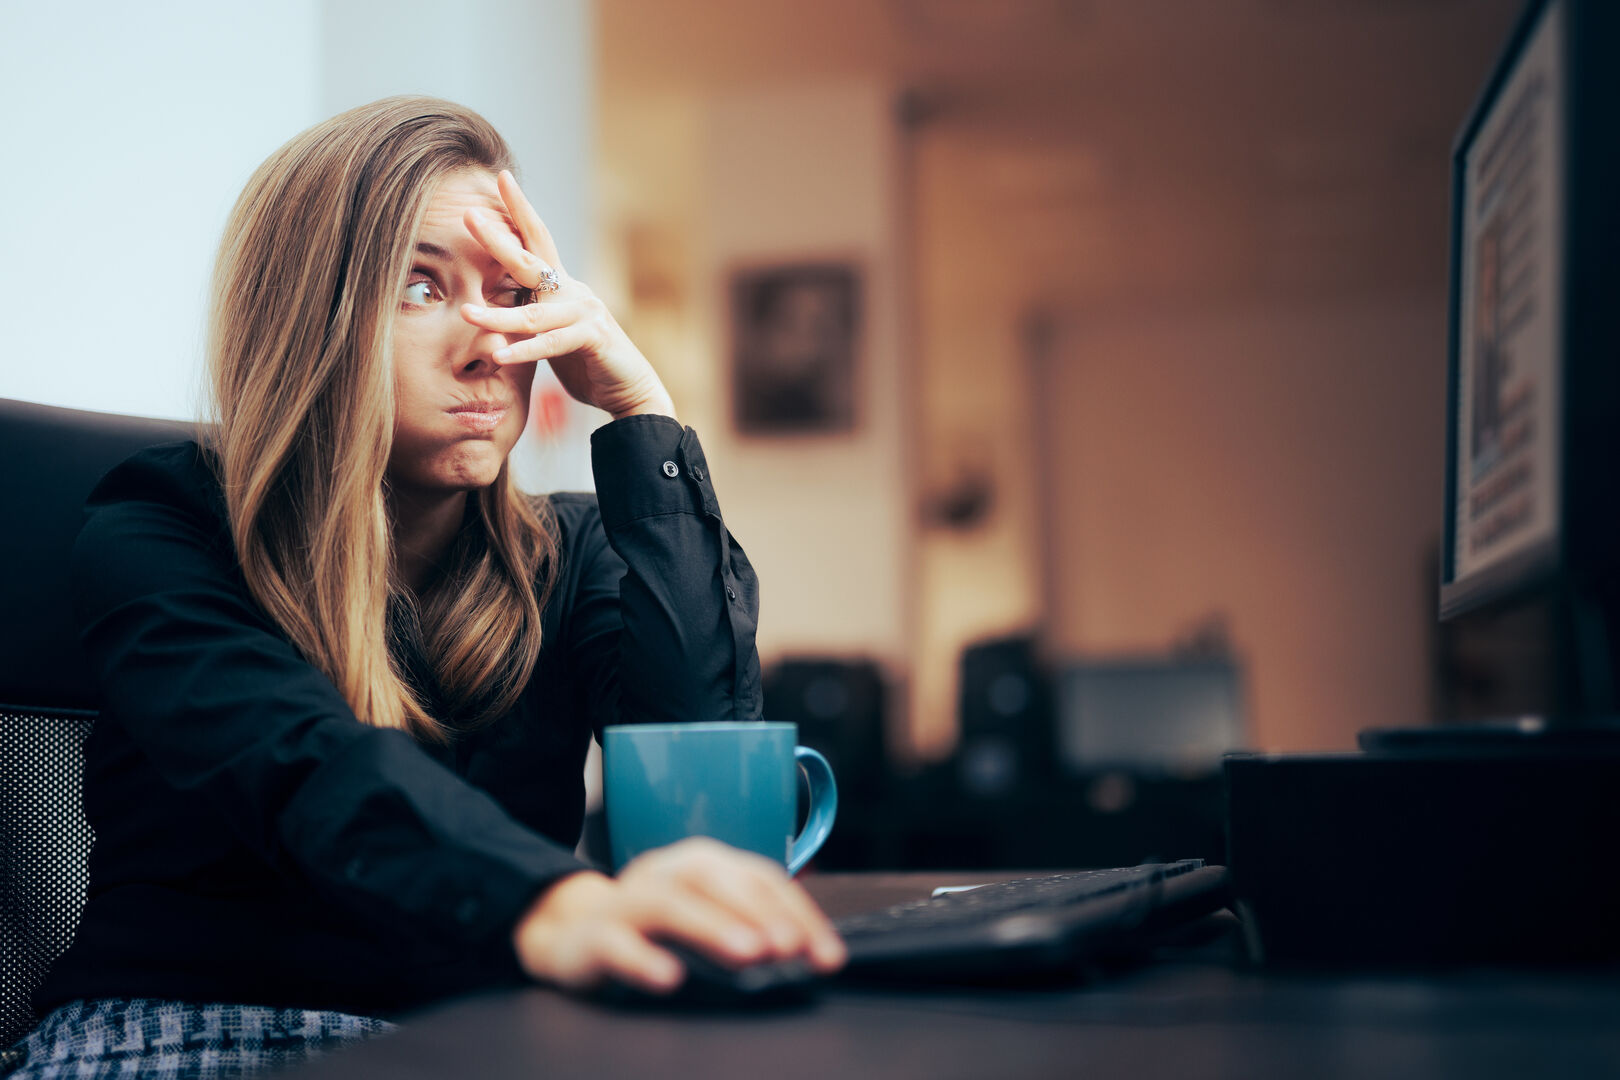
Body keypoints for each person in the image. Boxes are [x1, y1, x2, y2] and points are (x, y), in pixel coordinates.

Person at [4, 96, 844, 1080]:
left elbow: (700, 761)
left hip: (476, 1042)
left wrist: (639, 410)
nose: (490, 342)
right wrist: (550, 902)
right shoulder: (160, 524)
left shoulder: (573, 551)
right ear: (311, 316)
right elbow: (305, 765)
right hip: (184, 1031)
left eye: (512, 290)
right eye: (421, 286)